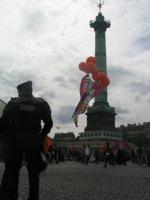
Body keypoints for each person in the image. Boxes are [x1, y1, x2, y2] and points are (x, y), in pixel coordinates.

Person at [0, 81, 53, 200]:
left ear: (20, 91)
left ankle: (11, 196)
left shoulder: (12, 103)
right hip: (34, 141)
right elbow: (49, 123)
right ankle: (33, 197)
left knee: (12, 169)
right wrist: (40, 137)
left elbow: (2, 123)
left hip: (15, 141)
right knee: (34, 172)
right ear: (31, 90)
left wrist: (10, 136)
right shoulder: (42, 103)